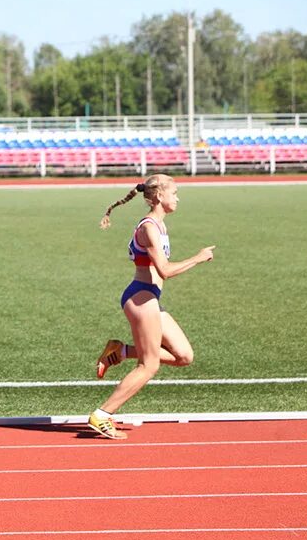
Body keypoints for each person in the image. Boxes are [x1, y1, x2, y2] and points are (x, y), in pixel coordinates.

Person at [90, 174, 215, 439]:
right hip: (141, 298)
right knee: (149, 365)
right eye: (175, 192)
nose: (178, 198)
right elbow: (165, 271)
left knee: (183, 356)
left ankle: (120, 351)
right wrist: (199, 257)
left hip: (150, 299)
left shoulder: (159, 225)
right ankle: (102, 415)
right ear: (159, 196)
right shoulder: (149, 227)